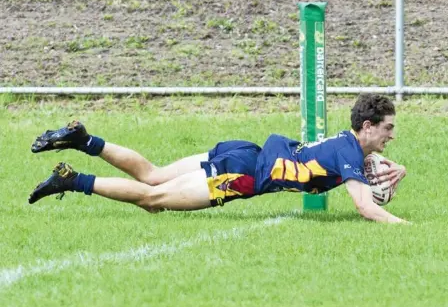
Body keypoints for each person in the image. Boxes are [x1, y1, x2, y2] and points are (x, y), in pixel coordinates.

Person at [28, 93, 408, 223]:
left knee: (153, 175)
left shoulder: (347, 145)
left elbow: (361, 173)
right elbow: (365, 207)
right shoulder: (348, 153)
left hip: (244, 151)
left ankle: (83, 138)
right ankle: (71, 179)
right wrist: (404, 225)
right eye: (388, 128)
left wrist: (397, 169)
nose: (392, 135)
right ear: (369, 126)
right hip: (241, 176)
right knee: (152, 199)